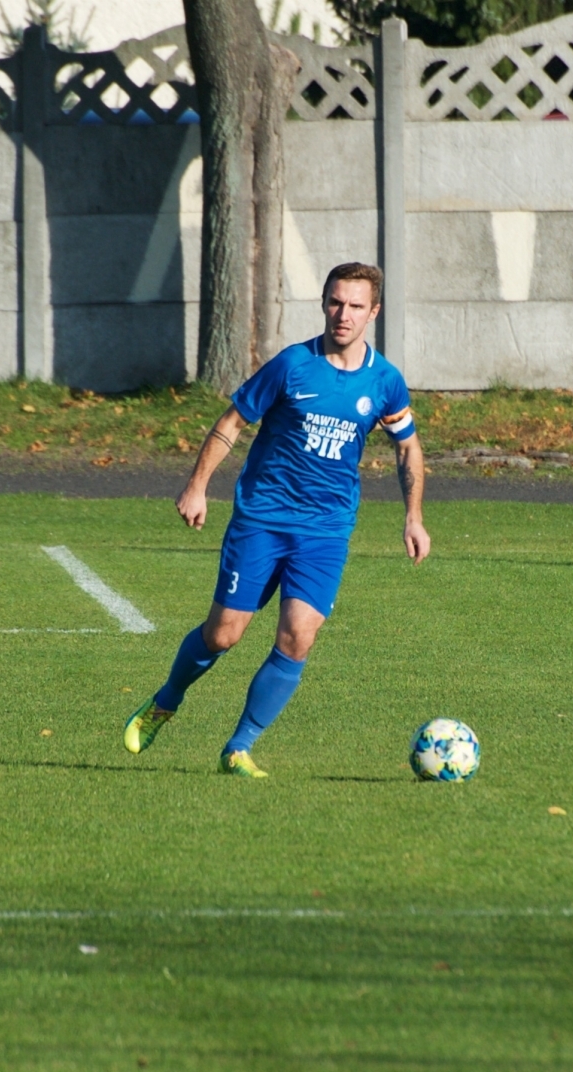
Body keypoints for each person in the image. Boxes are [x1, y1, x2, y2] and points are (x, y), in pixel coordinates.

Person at [122, 262, 430, 777]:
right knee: (223, 635)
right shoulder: (292, 365)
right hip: (262, 520)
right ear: (324, 303)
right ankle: (166, 700)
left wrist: (413, 518)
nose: (344, 314)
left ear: (373, 312)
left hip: (326, 530)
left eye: (356, 306)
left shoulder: (385, 381)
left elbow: (408, 448)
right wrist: (197, 486)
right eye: (336, 302)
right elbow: (232, 422)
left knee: (298, 636)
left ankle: (239, 747)